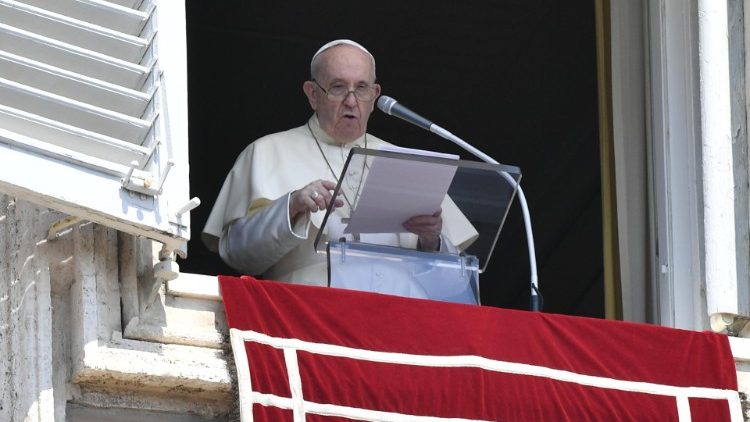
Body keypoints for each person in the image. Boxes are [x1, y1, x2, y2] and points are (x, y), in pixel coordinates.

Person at [202, 39, 477, 290]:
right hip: (308, 317)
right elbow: (237, 256)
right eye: (337, 87)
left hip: (400, 323)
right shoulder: (265, 151)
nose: (351, 101)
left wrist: (432, 241)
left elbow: (455, 283)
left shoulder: (406, 162)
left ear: (375, 94)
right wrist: (292, 206)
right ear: (312, 94)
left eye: (361, 88)